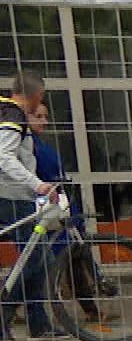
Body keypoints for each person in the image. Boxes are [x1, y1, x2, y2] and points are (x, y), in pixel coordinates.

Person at [24, 100, 114, 327]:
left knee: (73, 256)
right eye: (38, 116)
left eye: (45, 116)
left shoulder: (41, 144)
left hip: (60, 207)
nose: (44, 121)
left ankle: (89, 307)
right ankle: (67, 311)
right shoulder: (27, 147)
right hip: (47, 210)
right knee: (57, 262)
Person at [0, 71, 55, 338]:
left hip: (17, 196)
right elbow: (4, 157)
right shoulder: (14, 115)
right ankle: (4, 312)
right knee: (36, 257)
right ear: (36, 94)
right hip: (11, 197)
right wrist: (38, 185)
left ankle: (38, 322)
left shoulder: (6, 111)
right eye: (41, 97)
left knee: (40, 258)